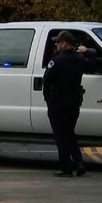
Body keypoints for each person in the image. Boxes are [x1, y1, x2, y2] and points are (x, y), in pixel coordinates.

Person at [42, 30, 91, 177]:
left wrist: (48, 100)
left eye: (58, 42)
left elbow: (46, 82)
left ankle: (65, 167)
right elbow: (92, 64)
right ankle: (79, 162)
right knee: (69, 133)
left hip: (58, 103)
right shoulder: (79, 60)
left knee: (60, 135)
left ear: (64, 43)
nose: (56, 44)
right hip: (74, 103)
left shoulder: (56, 61)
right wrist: (86, 52)